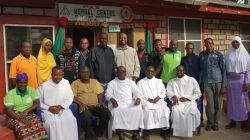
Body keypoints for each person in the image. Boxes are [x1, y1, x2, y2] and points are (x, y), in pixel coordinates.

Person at [37, 66, 78, 140]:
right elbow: (38, 101)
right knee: (51, 123)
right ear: (51, 74)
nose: (58, 77)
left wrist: (61, 106)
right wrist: (48, 108)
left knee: (71, 119)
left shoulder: (66, 83)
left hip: (63, 109)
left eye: (60, 75)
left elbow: (70, 97)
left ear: (62, 74)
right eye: (55, 75)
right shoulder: (44, 85)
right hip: (48, 110)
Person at [71, 67, 111, 140]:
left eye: (87, 72)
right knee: (87, 116)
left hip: (96, 105)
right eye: (83, 72)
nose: (86, 74)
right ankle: (90, 137)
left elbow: (99, 93)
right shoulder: (75, 83)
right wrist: (80, 104)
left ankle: (99, 134)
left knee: (106, 113)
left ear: (89, 73)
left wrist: (100, 101)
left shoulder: (94, 81)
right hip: (84, 106)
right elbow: (72, 97)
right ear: (79, 73)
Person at [4, 73, 47, 139]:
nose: (23, 85)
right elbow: (9, 111)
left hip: (29, 114)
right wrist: (22, 119)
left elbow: (37, 103)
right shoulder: (10, 94)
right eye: (20, 82)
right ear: (16, 83)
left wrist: (26, 111)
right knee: (23, 128)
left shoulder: (31, 90)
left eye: (25, 82)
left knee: (39, 125)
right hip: (14, 116)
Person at [106, 66, 144, 140]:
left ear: (126, 73)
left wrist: (138, 98)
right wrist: (112, 99)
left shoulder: (130, 82)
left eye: (123, 71)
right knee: (117, 111)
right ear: (117, 73)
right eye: (120, 71)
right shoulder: (112, 83)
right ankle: (120, 134)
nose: (121, 73)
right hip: (117, 103)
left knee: (138, 109)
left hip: (129, 102)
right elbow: (108, 94)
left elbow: (137, 92)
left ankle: (135, 133)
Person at [199, 38, 227, 131]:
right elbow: (201, 70)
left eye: (210, 43)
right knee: (209, 104)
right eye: (207, 44)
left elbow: (223, 70)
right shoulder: (202, 55)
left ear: (213, 44)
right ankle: (210, 122)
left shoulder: (219, 55)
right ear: (204, 45)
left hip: (218, 82)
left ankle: (216, 122)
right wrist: (200, 83)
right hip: (207, 83)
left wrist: (223, 85)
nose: (209, 45)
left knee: (217, 104)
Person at [166, 65, 201, 137]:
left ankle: (190, 130)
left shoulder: (191, 80)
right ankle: (177, 131)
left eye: (181, 70)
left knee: (192, 110)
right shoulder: (172, 81)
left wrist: (187, 98)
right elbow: (168, 91)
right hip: (177, 101)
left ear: (184, 71)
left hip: (189, 101)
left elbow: (198, 92)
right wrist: (173, 96)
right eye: (177, 70)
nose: (179, 72)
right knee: (176, 111)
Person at [137, 66, 170, 140]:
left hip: (158, 101)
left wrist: (158, 97)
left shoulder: (159, 81)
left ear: (154, 72)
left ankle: (164, 131)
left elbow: (163, 91)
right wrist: (148, 99)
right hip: (146, 101)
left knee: (165, 109)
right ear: (146, 72)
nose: (150, 73)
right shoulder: (141, 82)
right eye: (148, 71)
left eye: (152, 71)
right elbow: (138, 93)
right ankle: (146, 131)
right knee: (147, 110)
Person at [225, 36, 250, 131]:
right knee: (231, 101)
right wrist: (226, 82)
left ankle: (243, 122)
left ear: (240, 43)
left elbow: (248, 70)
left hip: (241, 81)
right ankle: (233, 121)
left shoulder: (245, 55)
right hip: (231, 80)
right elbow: (226, 69)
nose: (235, 44)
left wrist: (247, 82)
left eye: (237, 42)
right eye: (233, 42)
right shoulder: (228, 54)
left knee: (242, 102)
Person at [181, 42, 203, 125]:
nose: (190, 50)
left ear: (193, 49)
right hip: (186, 84)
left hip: (197, 82)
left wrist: (200, 81)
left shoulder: (198, 58)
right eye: (188, 48)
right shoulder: (183, 59)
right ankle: (187, 119)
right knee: (188, 100)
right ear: (185, 49)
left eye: (191, 48)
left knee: (198, 100)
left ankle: (199, 119)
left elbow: (201, 70)